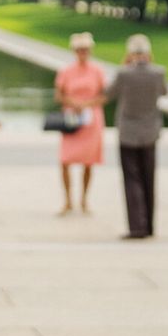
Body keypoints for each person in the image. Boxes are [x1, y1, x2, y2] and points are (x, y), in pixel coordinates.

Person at [111, 34, 168, 238]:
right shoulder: (159, 73)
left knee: (131, 179)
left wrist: (125, 66)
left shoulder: (123, 73)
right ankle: (149, 225)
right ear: (148, 53)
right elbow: (163, 92)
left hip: (128, 132)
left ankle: (137, 226)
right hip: (150, 132)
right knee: (148, 179)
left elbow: (110, 93)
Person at [54, 32, 108, 215]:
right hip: (72, 119)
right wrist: (72, 103)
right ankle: (67, 200)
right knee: (65, 160)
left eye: (85, 50)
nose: (82, 52)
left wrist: (87, 104)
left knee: (88, 161)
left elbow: (104, 95)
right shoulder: (66, 71)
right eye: (79, 50)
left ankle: (84, 200)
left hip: (91, 119)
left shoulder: (97, 71)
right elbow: (59, 95)